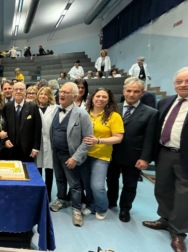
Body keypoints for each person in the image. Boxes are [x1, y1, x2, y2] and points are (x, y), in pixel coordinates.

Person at [142, 67, 188, 252]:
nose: (183, 84)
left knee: (184, 196)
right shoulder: (165, 102)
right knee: (162, 188)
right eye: (179, 81)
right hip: (164, 152)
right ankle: (165, 219)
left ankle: (179, 232)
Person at [107, 77, 158, 223]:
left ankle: (125, 209)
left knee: (130, 185)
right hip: (113, 153)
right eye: (129, 91)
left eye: (136, 91)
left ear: (142, 93)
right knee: (111, 180)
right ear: (124, 91)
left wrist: (145, 158)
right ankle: (111, 202)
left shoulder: (150, 113)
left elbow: (150, 138)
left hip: (134, 155)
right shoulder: (113, 108)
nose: (132, 94)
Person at [49, 83, 93, 227]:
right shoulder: (56, 110)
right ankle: (62, 199)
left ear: (74, 96)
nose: (61, 94)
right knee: (60, 179)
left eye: (66, 92)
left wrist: (75, 157)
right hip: (56, 153)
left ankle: (76, 209)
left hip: (71, 156)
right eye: (61, 91)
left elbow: (88, 141)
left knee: (75, 184)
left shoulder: (82, 114)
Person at [82, 88, 124, 220]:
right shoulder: (85, 113)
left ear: (108, 100)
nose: (100, 99)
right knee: (87, 184)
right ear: (92, 98)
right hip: (84, 154)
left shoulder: (114, 116)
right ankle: (91, 204)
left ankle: (101, 207)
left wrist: (98, 140)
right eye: (98, 96)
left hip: (101, 156)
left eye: (104, 97)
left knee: (97, 186)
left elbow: (118, 137)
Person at [2, 82, 42, 162]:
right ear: (13, 91)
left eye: (21, 89)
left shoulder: (33, 107)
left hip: (28, 149)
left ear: (25, 92)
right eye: (16, 89)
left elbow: (37, 129)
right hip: (10, 149)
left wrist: (36, 148)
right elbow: (4, 126)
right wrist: (5, 140)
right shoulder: (7, 106)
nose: (18, 91)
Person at [35, 86, 57, 200]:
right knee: (37, 168)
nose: (42, 96)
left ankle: (48, 194)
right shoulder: (33, 108)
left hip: (50, 142)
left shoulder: (55, 109)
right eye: (41, 94)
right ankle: (38, 193)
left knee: (49, 169)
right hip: (37, 143)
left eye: (45, 94)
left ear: (49, 96)